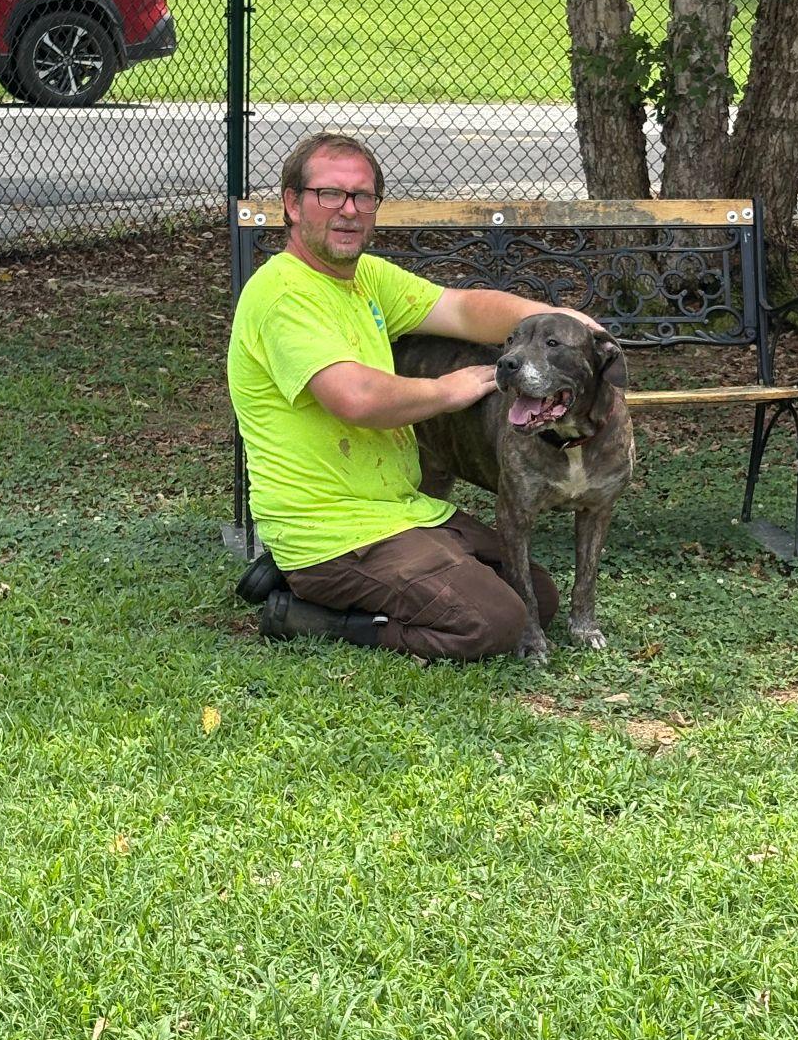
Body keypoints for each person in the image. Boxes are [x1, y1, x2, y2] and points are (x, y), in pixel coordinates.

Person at [227, 131, 600, 661]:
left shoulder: (365, 279)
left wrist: (562, 323)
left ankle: (309, 582)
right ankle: (316, 612)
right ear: (292, 204)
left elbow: (464, 309)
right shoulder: (282, 295)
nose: (349, 211)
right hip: (332, 529)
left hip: (399, 511)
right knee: (496, 622)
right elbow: (354, 398)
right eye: (330, 194)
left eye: (363, 197)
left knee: (537, 595)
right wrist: (447, 390)